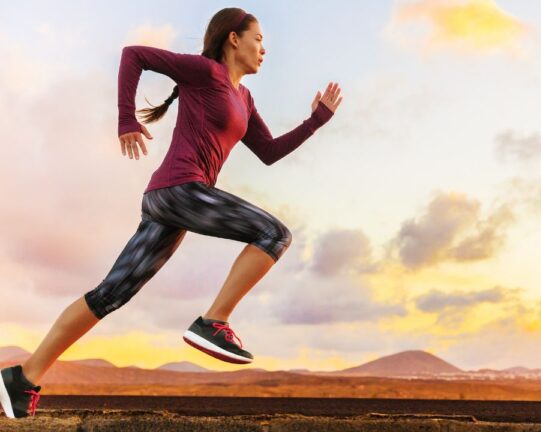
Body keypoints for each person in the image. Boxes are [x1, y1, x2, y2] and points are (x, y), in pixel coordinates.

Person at [0, 7, 342, 419]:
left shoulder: (244, 98)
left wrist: (316, 121)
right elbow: (133, 55)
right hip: (180, 190)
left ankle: (22, 377)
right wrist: (126, 118)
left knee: (110, 294)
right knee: (274, 234)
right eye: (259, 39)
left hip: (172, 202)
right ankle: (213, 321)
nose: (264, 50)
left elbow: (268, 152)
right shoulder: (205, 71)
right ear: (234, 38)